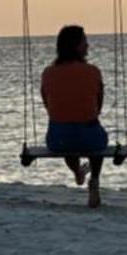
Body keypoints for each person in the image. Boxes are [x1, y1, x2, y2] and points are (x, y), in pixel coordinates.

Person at [40, 23, 109, 208]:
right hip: (90, 139)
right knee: (96, 136)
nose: (88, 45)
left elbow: (47, 104)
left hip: (58, 140)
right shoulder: (93, 71)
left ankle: (78, 171)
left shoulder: (48, 73)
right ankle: (94, 179)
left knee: (66, 131)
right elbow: (98, 106)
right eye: (85, 41)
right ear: (77, 45)